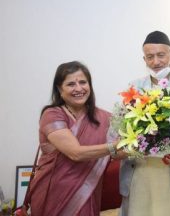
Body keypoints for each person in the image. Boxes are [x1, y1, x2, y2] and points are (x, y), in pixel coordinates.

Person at [25, 61, 125, 216]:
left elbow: (117, 153)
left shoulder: (105, 118)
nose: (79, 88)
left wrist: (142, 146)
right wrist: (114, 146)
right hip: (53, 193)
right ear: (60, 89)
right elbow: (75, 153)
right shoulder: (52, 114)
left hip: (86, 193)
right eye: (71, 84)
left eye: (83, 82)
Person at [119, 31, 170, 216]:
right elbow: (123, 128)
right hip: (142, 171)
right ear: (144, 59)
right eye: (150, 57)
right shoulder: (134, 87)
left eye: (161, 55)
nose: (156, 62)